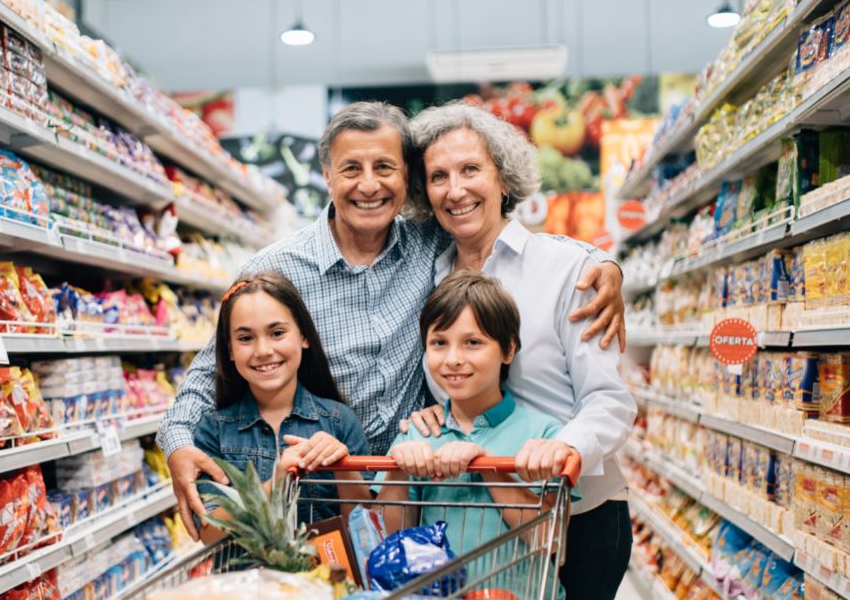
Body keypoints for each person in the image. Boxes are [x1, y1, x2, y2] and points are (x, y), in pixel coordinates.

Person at [159, 101, 627, 539]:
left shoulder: (429, 246)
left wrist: (604, 265)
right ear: (326, 176)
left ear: (405, 180)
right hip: (333, 496)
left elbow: (504, 236)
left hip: (462, 494)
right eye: (350, 169)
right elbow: (211, 367)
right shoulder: (279, 269)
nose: (369, 185)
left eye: (384, 168)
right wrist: (178, 441)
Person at [403, 101, 637, 600]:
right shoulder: (425, 270)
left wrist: (553, 450)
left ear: (503, 176)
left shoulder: (569, 269)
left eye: (469, 169)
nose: (455, 189)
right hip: (478, 529)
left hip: (579, 521)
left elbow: (609, 401)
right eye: (438, 176)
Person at [378, 270, 572, 600]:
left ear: (508, 349)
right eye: (439, 343)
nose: (453, 359)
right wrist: (400, 467)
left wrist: (487, 465)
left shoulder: (544, 435)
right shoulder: (419, 431)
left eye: (473, 343)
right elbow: (391, 535)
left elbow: (549, 543)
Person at [191, 271, 370, 541]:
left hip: (326, 578)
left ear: (303, 336)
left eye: (277, 333)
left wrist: (344, 466)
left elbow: (365, 529)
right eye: (245, 338)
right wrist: (276, 482)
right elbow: (209, 534)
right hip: (249, 581)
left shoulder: (339, 420)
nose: (263, 350)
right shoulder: (212, 431)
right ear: (229, 350)